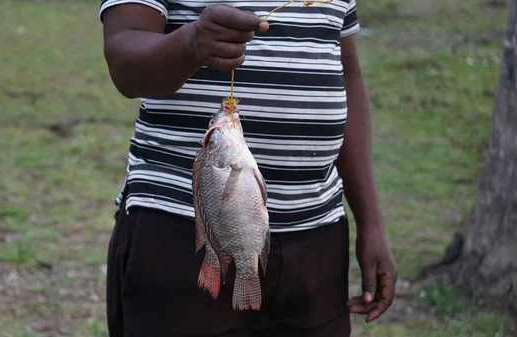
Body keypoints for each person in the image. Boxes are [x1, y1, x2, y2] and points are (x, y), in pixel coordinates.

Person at [99, 0, 398, 336]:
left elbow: (347, 76)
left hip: (317, 235)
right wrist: (190, 44)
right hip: (183, 233)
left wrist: (371, 222)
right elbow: (124, 62)